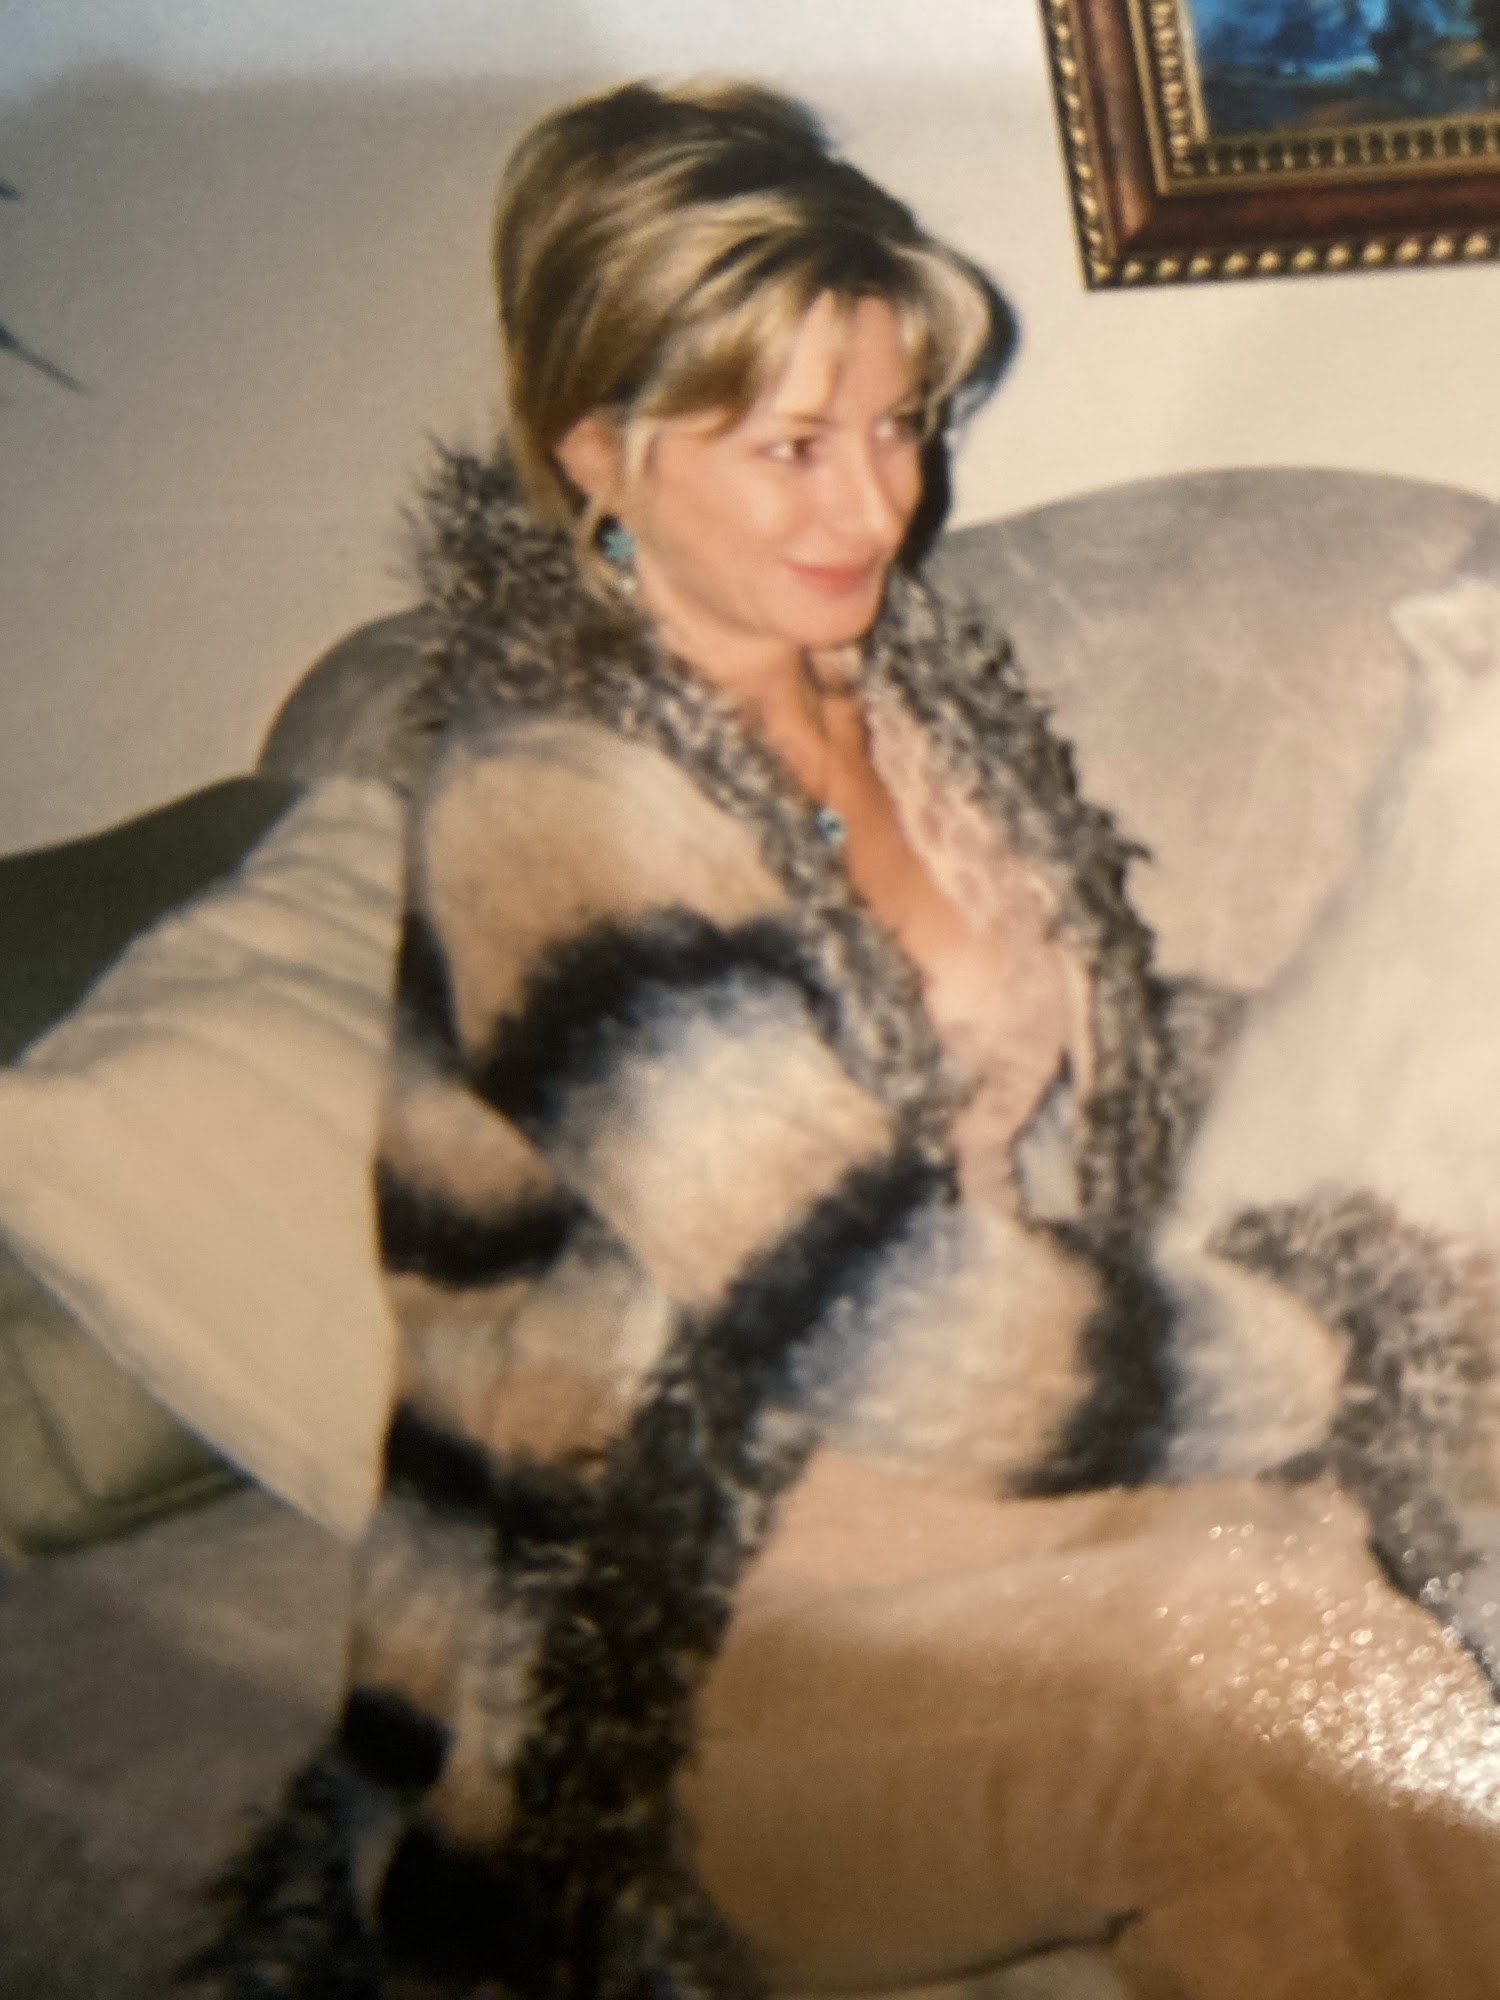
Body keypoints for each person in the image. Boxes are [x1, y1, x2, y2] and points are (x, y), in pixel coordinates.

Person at [189, 79, 1395, 2000]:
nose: (879, 504)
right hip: (659, 1629)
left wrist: (1393, 1089)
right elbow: (871, 1311)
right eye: (793, 446)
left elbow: (1080, 1029)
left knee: (1343, 1634)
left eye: (900, 425)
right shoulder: (549, 808)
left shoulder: (899, 690)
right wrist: (1331, 1342)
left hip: (960, 1481)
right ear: (601, 450)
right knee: (1250, 1678)